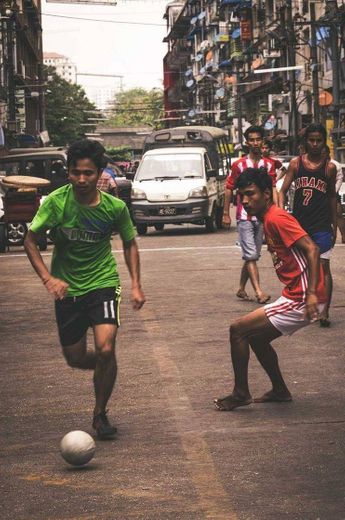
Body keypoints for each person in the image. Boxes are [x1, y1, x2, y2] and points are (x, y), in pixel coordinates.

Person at [24, 139, 146, 439]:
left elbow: (130, 243)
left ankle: (99, 413)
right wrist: (48, 279)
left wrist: (136, 285)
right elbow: (30, 240)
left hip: (103, 283)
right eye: (76, 172)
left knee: (106, 347)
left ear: (99, 174)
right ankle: (107, 366)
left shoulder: (114, 208)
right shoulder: (56, 202)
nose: (81, 179)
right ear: (68, 172)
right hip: (67, 291)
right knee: (76, 358)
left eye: (88, 173)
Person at [215, 169, 326, 411]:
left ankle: (241, 393)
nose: (245, 201)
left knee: (238, 330)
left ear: (267, 194)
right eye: (241, 196)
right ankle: (279, 390)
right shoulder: (267, 218)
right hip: (297, 293)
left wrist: (311, 295)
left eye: (250, 194)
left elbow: (312, 249)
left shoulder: (277, 218)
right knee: (256, 336)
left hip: (302, 296)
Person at [278, 124, 337, 327]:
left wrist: (335, 226)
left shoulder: (329, 167)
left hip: (321, 225)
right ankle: (306, 304)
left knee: (324, 267)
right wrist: (281, 213)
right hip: (300, 225)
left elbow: (332, 198)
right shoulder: (296, 164)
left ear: (323, 142)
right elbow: (282, 190)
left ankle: (325, 311)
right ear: (305, 142)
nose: (314, 144)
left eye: (318, 140)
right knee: (304, 267)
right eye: (311, 140)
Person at [222, 125, 277, 304]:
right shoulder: (239, 165)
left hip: (262, 217)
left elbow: (272, 188)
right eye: (251, 140)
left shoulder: (268, 164)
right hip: (244, 217)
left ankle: (241, 288)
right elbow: (229, 188)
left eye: (258, 139)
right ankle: (259, 292)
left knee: (252, 255)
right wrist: (225, 213)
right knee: (252, 255)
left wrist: (276, 210)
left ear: (262, 141)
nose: (255, 143)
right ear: (247, 143)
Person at [323, 145, 345, 244]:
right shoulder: (318, 164)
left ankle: (343, 235)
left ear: (328, 153)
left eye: (324, 153)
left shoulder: (336, 165)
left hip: (333, 193)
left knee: (338, 214)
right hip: (320, 194)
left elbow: (339, 179)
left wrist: (333, 191)